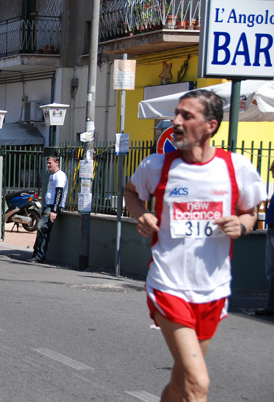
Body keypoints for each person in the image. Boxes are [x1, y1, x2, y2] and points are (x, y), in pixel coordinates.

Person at [124, 90, 265, 401]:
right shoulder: (157, 165)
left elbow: (250, 212)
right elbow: (131, 192)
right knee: (198, 382)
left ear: (210, 125)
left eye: (187, 116)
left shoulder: (236, 168)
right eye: (177, 113)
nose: (176, 121)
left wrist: (241, 225)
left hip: (213, 289)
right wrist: (141, 214)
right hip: (169, 285)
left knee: (181, 382)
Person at [28, 155, 68, 263]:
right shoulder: (52, 176)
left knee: (42, 227)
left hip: (53, 207)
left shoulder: (59, 176)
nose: (48, 165)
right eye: (48, 163)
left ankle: (39, 255)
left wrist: (54, 210)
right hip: (48, 206)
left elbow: (59, 193)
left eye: (50, 163)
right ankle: (37, 253)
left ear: (57, 163)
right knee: (42, 229)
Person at [256, 159, 274, 316]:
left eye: (272, 168)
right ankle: (271, 305)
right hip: (271, 231)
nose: (271, 172)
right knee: (271, 271)